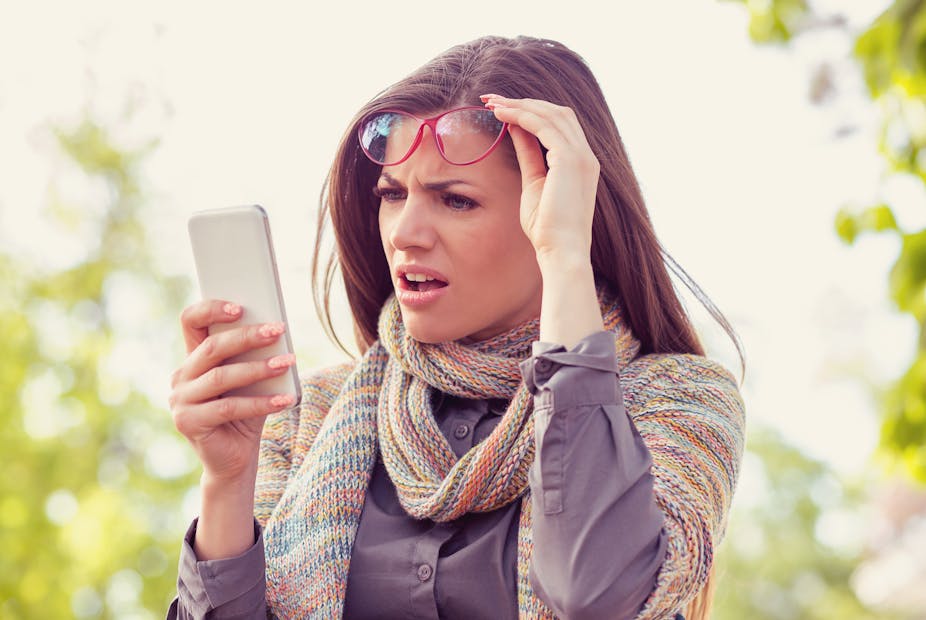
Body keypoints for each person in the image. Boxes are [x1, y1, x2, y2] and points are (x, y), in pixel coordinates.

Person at [166, 35, 746, 620]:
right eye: (392, 194)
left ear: (562, 212)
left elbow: (597, 595)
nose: (404, 233)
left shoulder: (681, 402)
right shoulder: (308, 415)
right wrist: (227, 480)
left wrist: (564, 257)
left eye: (456, 200)